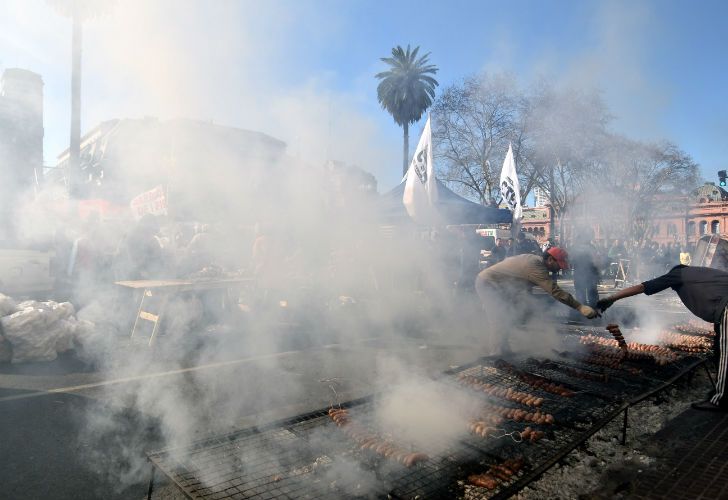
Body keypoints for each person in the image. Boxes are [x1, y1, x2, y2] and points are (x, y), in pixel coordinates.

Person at [597, 264, 728, 412]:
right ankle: (721, 390)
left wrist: (612, 298)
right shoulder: (704, 273)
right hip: (723, 308)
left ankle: (721, 400)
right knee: (719, 347)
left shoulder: (679, 274)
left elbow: (644, 287)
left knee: (725, 355)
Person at [476, 247, 600, 353]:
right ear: (551, 259)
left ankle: (504, 348)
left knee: (509, 316)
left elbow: (521, 283)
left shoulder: (536, 261)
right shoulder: (536, 266)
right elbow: (555, 291)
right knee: (499, 320)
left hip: (502, 288)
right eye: (559, 265)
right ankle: (496, 356)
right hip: (489, 284)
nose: (560, 269)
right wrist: (579, 307)